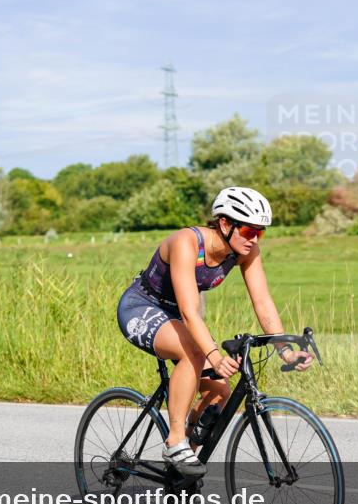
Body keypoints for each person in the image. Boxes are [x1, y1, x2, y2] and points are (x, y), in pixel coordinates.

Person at [116, 187, 313, 476]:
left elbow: (262, 301)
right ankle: (174, 440)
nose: (254, 238)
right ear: (224, 223)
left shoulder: (246, 251)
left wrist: (284, 350)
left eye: (261, 232)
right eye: (248, 230)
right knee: (193, 352)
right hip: (142, 308)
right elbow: (189, 312)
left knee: (220, 392)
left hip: (179, 317)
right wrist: (213, 354)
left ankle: (182, 468)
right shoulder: (187, 242)